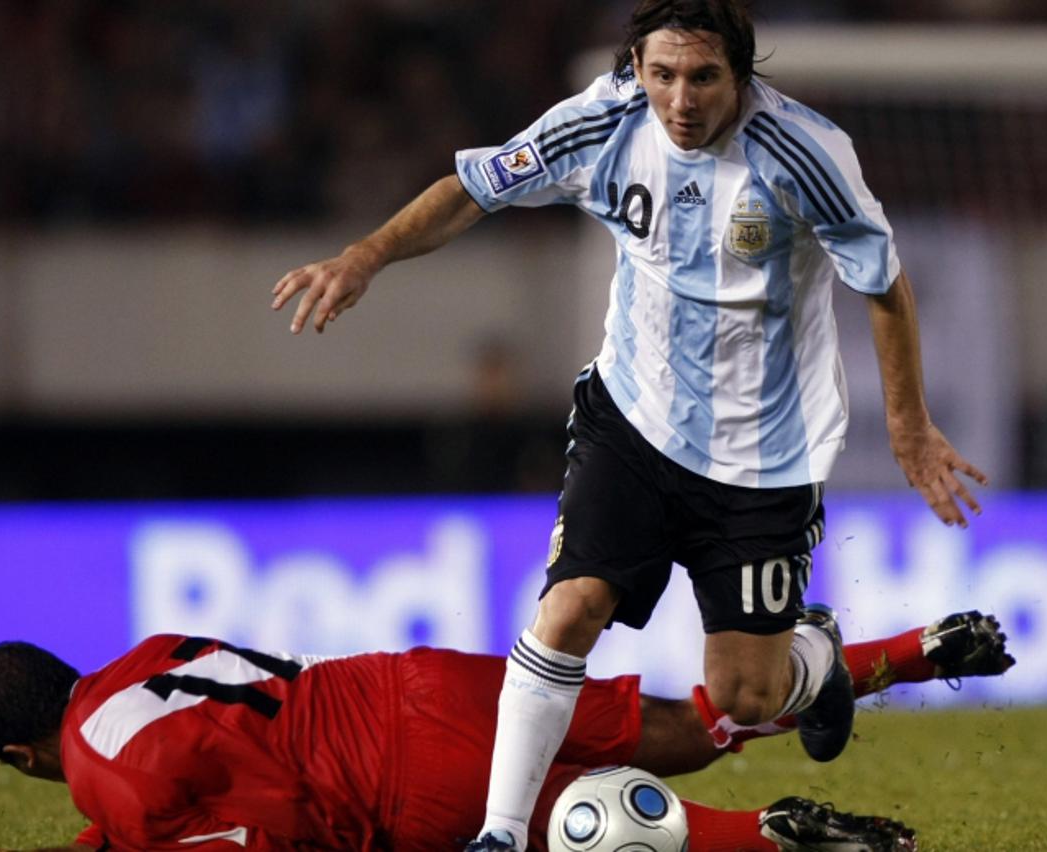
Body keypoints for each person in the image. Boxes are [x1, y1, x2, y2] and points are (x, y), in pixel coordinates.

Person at [269, 2, 988, 847]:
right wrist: (365, 255)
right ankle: (501, 834)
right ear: (636, 69)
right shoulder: (601, 121)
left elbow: (883, 283)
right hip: (634, 422)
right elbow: (469, 192)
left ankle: (815, 656)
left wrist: (909, 427)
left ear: (741, 75)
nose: (681, 99)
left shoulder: (804, 152)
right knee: (569, 609)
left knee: (745, 696)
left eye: (704, 77)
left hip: (763, 456)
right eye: (662, 75)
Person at [0, 611, 1013, 852]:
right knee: (680, 728)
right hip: (416, 685)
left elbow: (255, 831)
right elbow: (217, 751)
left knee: (584, 828)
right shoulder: (150, 652)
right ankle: (910, 650)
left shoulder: (106, 782)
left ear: (20, 757)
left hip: (399, 786)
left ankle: (772, 836)